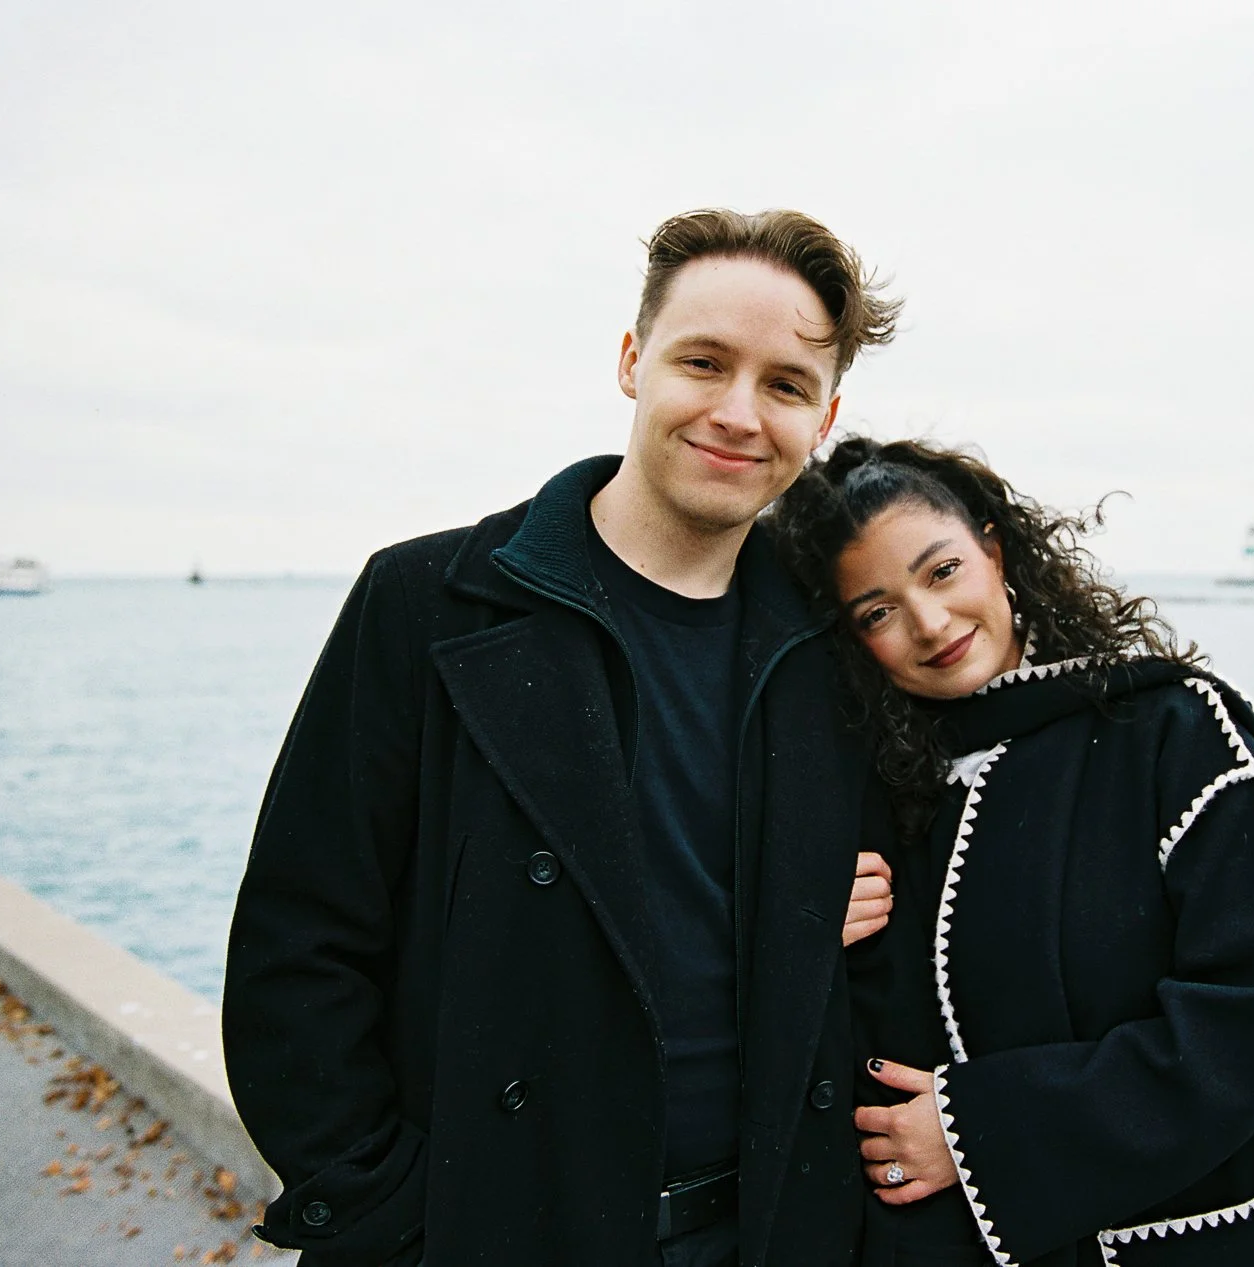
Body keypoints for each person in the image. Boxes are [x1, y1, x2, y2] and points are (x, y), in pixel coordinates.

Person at [221, 209, 902, 1267]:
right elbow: (299, 946)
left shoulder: (833, 646)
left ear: (825, 414)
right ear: (633, 362)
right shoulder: (429, 603)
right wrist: (394, 1215)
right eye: (703, 362)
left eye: (783, 384)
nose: (737, 411)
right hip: (494, 1233)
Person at [776, 438, 1254, 1266]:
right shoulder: (867, 793)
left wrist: (978, 1133)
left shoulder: (1175, 732)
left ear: (994, 548)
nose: (929, 622)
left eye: (942, 571)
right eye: (876, 611)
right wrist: (804, 935)